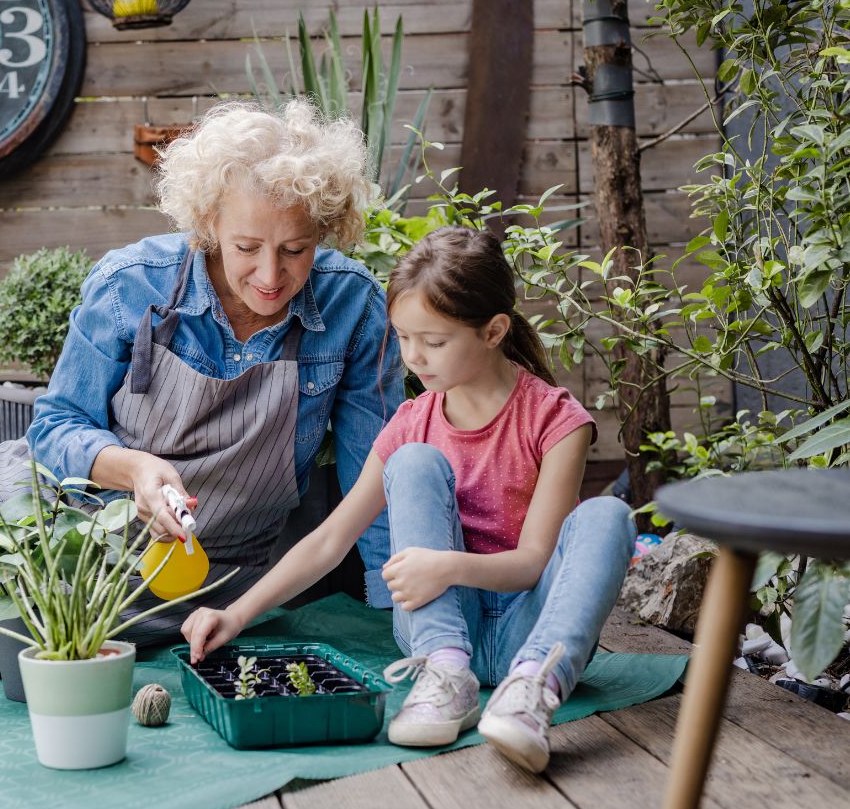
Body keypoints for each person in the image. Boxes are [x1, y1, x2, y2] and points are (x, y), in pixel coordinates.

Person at [0, 98, 403, 676]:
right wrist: (138, 471)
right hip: (55, 495)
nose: (270, 274)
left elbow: (374, 472)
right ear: (208, 222)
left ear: (323, 230)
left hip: (191, 562)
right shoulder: (133, 283)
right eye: (247, 246)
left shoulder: (352, 307)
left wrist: (391, 611)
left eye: (295, 250)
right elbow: (58, 426)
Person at [182, 226, 633, 773]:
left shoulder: (556, 421)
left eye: (435, 341)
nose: (415, 357)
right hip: (439, 627)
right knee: (415, 462)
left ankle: (531, 693)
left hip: (527, 627)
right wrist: (235, 615)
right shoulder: (411, 423)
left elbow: (534, 564)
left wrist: (445, 567)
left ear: (493, 331)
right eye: (403, 337)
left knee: (609, 514)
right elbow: (329, 540)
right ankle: (444, 676)